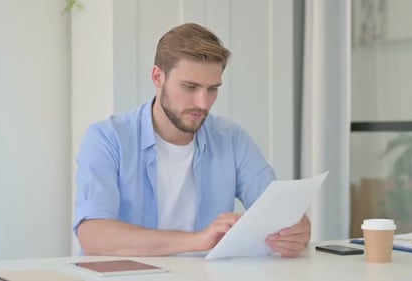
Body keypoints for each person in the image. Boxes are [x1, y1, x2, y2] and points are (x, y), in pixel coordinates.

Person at [73, 23, 310, 258]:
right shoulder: (107, 139)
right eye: (190, 87)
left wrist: (296, 230)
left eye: (212, 89)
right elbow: (93, 235)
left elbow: (280, 213)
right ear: (158, 77)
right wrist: (197, 241)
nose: (203, 103)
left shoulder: (231, 139)